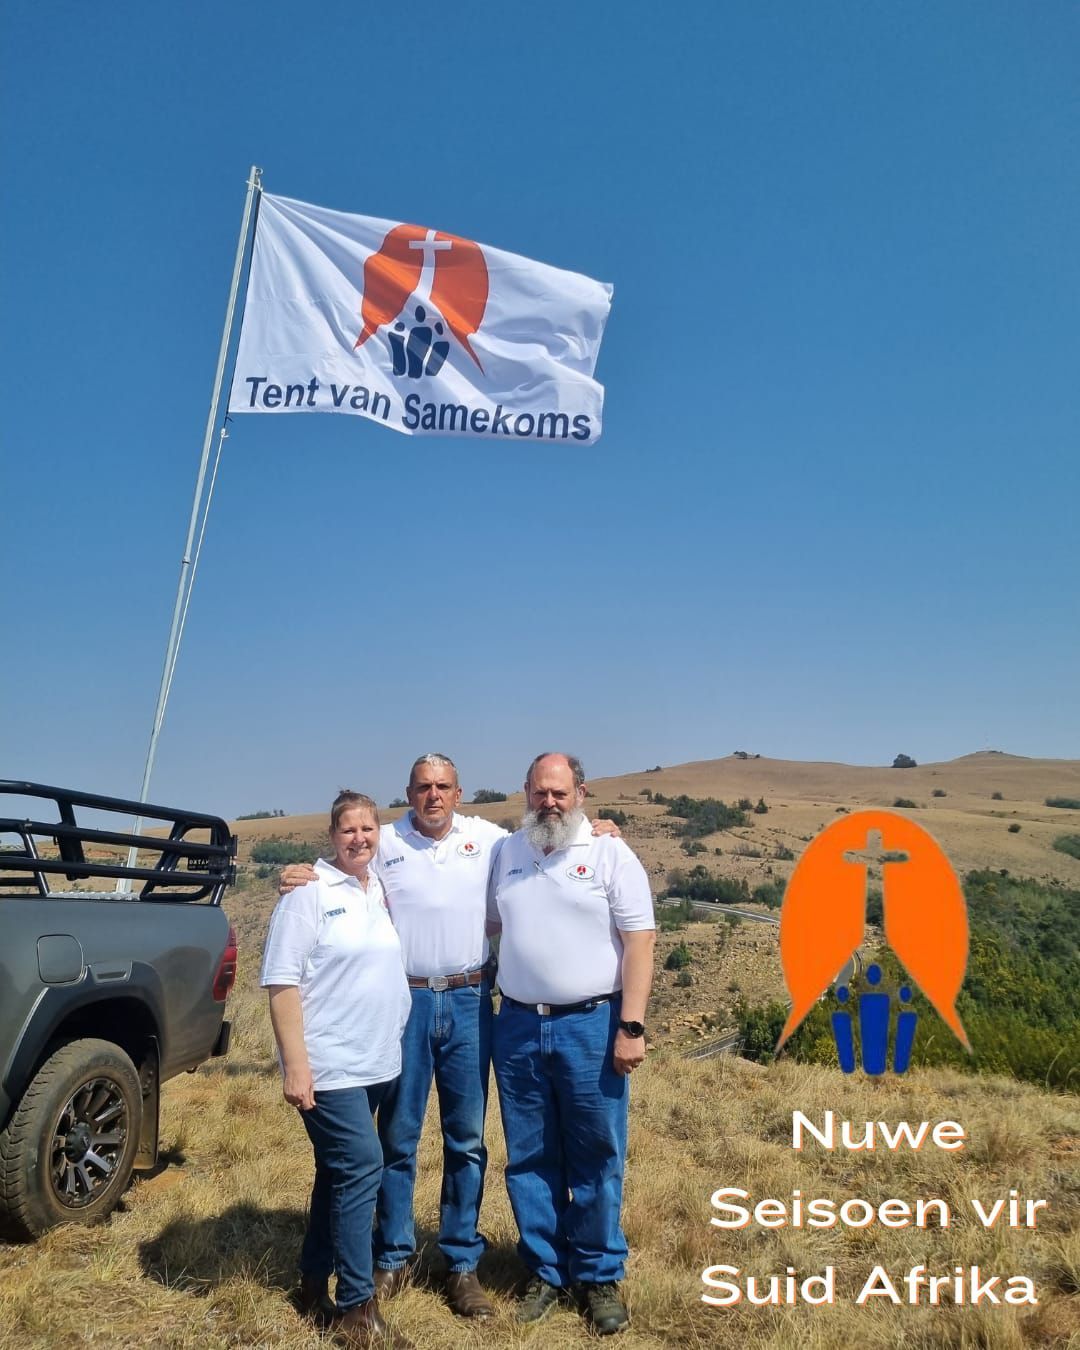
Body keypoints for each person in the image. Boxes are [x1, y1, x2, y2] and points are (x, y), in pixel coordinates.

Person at [280, 753, 620, 1320]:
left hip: (469, 997)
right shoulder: (384, 840)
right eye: (422, 787)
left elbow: (554, 837)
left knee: (466, 1138)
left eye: (443, 786)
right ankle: (392, 1255)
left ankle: (460, 1262)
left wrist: (602, 828)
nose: (433, 796)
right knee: (400, 1136)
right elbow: (339, 863)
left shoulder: (490, 840)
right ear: (409, 794)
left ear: (459, 793)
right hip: (406, 1001)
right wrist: (296, 872)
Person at [487, 753, 655, 1336]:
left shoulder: (610, 852)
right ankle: (544, 1271)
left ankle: (598, 1274)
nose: (549, 803)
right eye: (539, 793)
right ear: (525, 794)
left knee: (596, 1153)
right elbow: (486, 922)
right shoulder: (506, 852)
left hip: (592, 1023)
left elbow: (640, 941)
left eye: (560, 793)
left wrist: (631, 1027)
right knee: (529, 1155)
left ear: (580, 793)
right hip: (518, 1026)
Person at [261, 790, 413, 1349]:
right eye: (348, 831)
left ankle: (309, 1282)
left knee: (337, 1172)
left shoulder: (380, 889)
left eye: (368, 830)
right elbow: (281, 983)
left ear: (379, 833)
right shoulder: (309, 893)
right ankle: (356, 1308)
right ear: (332, 836)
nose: (359, 839)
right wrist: (296, 1067)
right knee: (362, 1165)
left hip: (374, 1062)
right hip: (328, 1065)